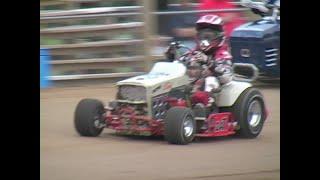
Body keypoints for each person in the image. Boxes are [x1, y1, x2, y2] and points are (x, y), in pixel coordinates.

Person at [166, 14, 233, 112]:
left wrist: (208, 61)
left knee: (210, 80)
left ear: (219, 37)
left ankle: (205, 111)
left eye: (208, 36)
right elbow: (179, 64)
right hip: (192, 87)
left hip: (214, 91)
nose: (204, 40)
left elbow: (226, 77)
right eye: (202, 36)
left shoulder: (223, 54)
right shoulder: (193, 52)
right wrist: (171, 55)